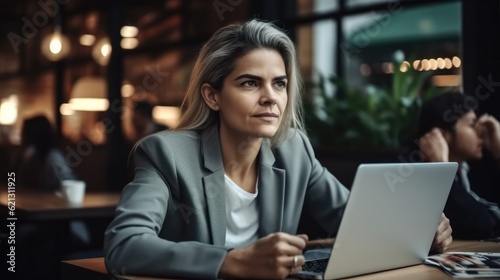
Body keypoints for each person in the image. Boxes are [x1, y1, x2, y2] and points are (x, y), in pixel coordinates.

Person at [104, 19, 452, 280]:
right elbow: (124, 245)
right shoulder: (165, 154)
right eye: (250, 83)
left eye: (280, 84)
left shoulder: (294, 149)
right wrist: (230, 261)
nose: (271, 97)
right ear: (212, 96)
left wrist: (416, 235)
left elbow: (354, 222)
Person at [418, 92, 500, 239]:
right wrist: (442, 170)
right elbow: (481, 225)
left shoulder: (472, 170)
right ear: (442, 135)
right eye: (472, 124)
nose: (480, 132)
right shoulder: (416, 177)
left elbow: (492, 220)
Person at [17, 115, 79, 191]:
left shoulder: (54, 157)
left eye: (24, 132)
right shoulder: (31, 155)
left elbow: (71, 185)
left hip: (58, 201)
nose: (21, 136)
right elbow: (21, 183)